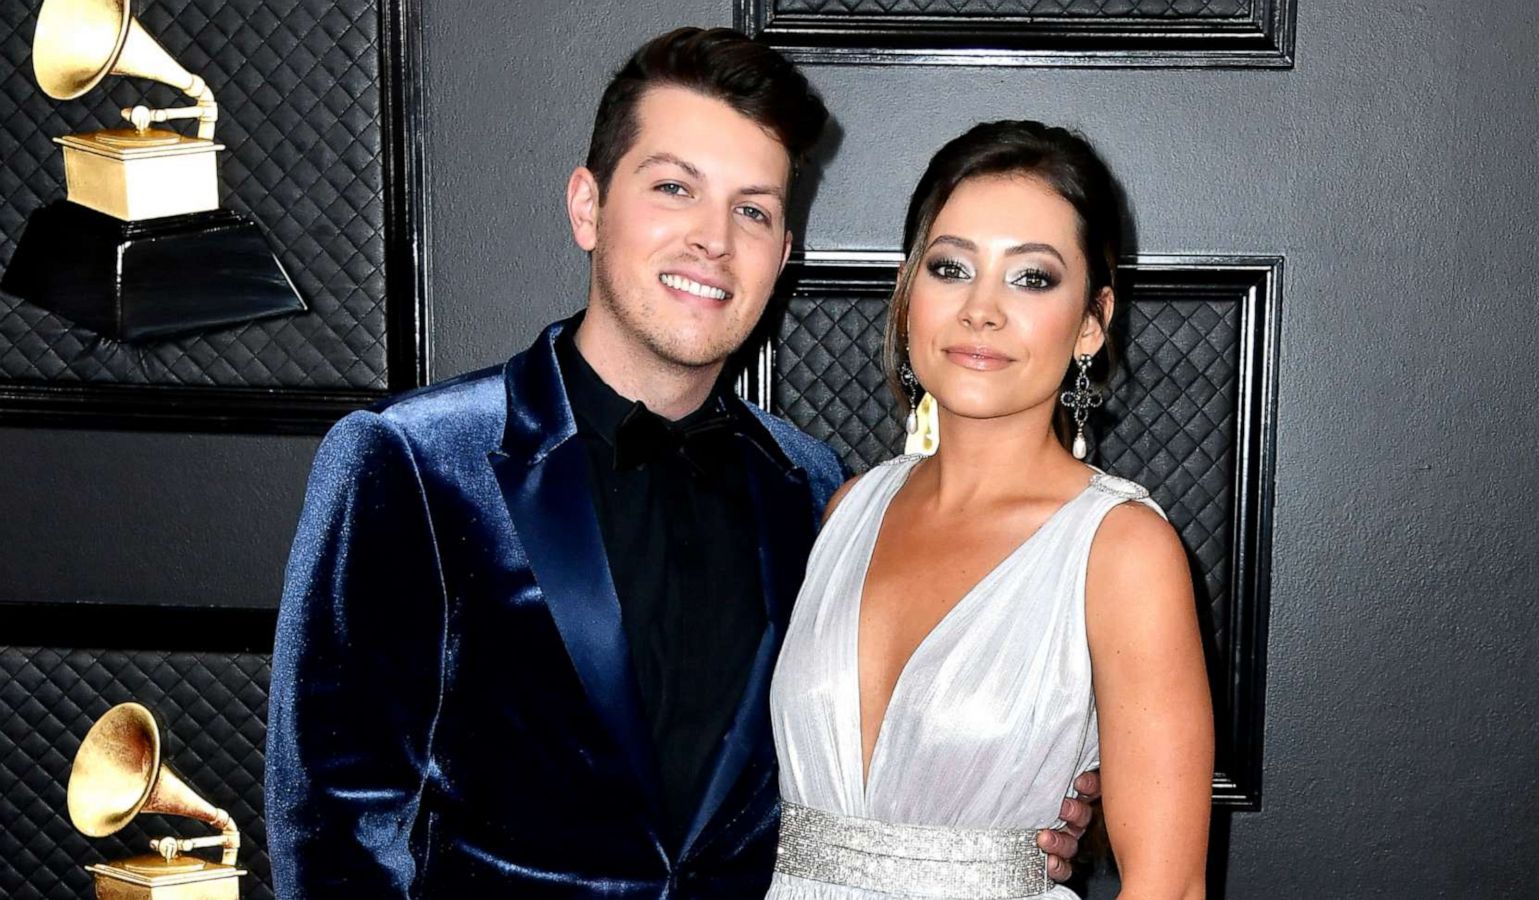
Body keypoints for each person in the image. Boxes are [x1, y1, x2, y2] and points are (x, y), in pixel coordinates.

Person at [265, 30, 1093, 898]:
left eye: (753, 210)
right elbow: (334, 825)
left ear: (783, 253)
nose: (713, 240)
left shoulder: (815, 489)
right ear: (588, 207)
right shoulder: (412, 461)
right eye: (673, 189)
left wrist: (1031, 806)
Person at [766, 121, 1215, 900]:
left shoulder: (1122, 551)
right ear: (909, 293)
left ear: (1091, 321)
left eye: (1032, 278)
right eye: (950, 267)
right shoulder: (846, 509)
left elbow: (1168, 889)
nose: (981, 309)